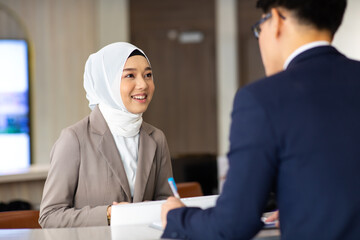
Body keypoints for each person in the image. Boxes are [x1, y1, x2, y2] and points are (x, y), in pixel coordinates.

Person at [161, 0, 360, 239]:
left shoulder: (261, 99)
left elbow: (231, 225)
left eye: (259, 27)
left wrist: (176, 217)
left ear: (275, 20)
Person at [39, 42, 173, 228]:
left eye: (148, 75)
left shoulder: (156, 138)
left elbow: (166, 203)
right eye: (130, 75)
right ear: (106, 83)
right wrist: (109, 214)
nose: (143, 84)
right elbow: (49, 216)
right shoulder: (74, 139)